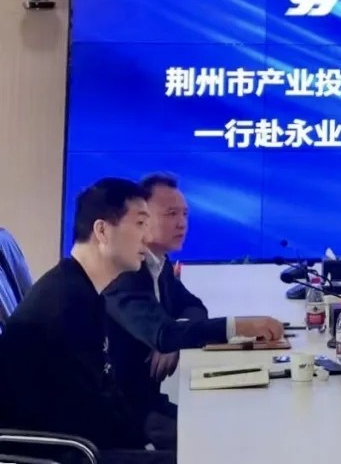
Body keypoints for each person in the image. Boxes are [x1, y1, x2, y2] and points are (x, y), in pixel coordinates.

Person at [105, 172, 284, 448]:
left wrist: (175, 337)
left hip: (148, 403)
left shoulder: (159, 264)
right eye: (171, 214)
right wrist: (241, 326)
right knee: (225, 442)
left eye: (185, 214)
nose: (182, 223)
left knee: (240, 426)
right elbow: (163, 334)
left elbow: (193, 306)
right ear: (142, 217)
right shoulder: (125, 273)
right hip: (125, 416)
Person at [0, 178, 172, 463]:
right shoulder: (66, 304)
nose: (148, 236)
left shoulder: (79, 289)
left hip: (80, 442)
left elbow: (103, 395)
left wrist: (149, 433)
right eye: (140, 223)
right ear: (102, 230)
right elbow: (85, 412)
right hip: (63, 452)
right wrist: (148, 443)